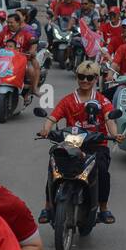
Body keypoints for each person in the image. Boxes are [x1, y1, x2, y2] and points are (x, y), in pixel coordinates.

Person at [35, 60, 118, 225]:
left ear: (96, 79)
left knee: (102, 171)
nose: (85, 81)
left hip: (97, 145)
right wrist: (45, 129)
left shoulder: (102, 100)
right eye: (81, 77)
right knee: (54, 166)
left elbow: (110, 119)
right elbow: (52, 117)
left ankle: (103, 208)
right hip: (72, 145)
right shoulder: (67, 100)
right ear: (77, 77)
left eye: (89, 78)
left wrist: (115, 134)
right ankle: (48, 207)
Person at [0, 12, 40, 101]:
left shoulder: (25, 33)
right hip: (4, 60)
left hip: (21, 60)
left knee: (30, 70)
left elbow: (33, 43)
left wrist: (31, 51)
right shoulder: (4, 31)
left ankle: (31, 90)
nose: (9, 24)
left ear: (18, 23)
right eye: (8, 22)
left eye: (11, 22)